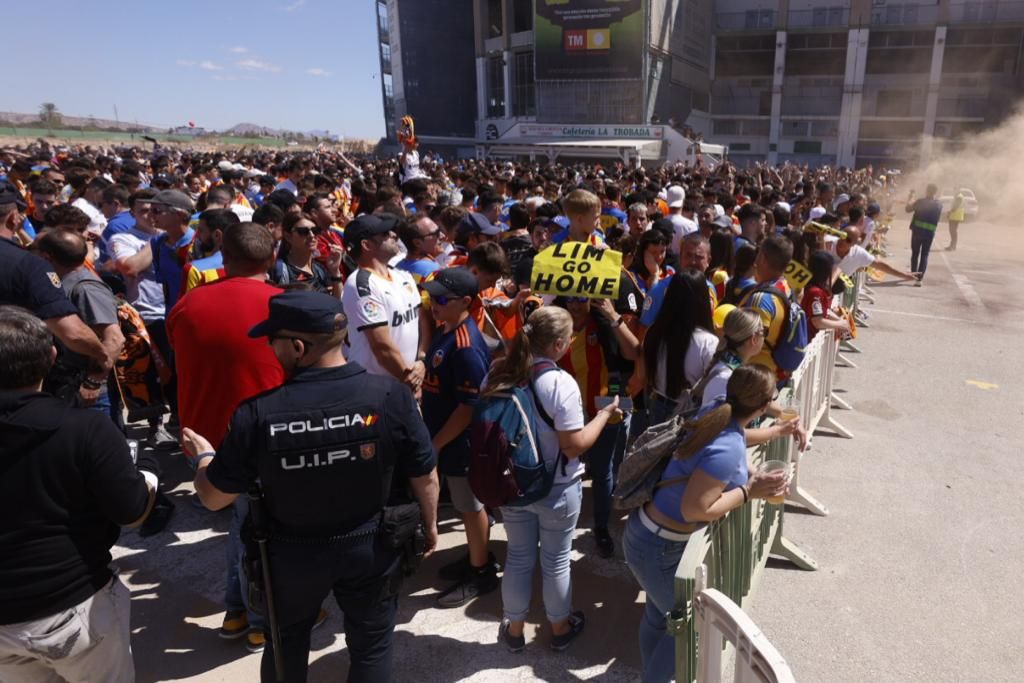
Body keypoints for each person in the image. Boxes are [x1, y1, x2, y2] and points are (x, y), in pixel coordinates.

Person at [185, 290, 439, 682]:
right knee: (372, 646)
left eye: (273, 339)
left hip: (291, 557)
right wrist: (431, 526)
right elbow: (425, 475)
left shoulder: (257, 414)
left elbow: (213, 497)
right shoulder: (390, 396)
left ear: (298, 346)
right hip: (372, 546)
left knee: (285, 646)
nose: (269, 347)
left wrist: (204, 460)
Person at [0, 305, 159, 683]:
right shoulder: (85, 430)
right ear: (52, 357)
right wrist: (149, 471)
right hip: (72, 608)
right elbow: (132, 510)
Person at [168, 221, 291, 651]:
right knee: (258, 529)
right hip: (262, 438)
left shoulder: (188, 304)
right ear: (273, 258)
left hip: (201, 438)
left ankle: (239, 608)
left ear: (225, 259)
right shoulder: (283, 305)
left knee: (243, 523)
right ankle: (258, 617)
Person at [623, 365, 788, 683]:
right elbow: (695, 508)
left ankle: (649, 674)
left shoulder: (719, 412)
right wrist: (747, 491)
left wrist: (752, 474)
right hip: (658, 547)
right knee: (686, 629)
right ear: (763, 406)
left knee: (659, 616)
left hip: (647, 536)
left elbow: (732, 452)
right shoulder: (727, 444)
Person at [488, 306, 623, 654]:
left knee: (518, 557)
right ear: (561, 344)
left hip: (512, 484)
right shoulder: (562, 383)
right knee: (556, 561)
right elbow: (574, 445)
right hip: (557, 489)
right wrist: (605, 415)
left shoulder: (499, 373)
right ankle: (559, 627)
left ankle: (514, 630)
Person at [419, 268, 500, 607]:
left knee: (470, 506)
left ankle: (481, 572)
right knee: (466, 506)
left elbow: (468, 408)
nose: (433, 304)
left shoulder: (465, 347)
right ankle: (474, 555)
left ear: (466, 302)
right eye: (431, 296)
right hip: (447, 438)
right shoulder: (446, 330)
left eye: (441, 299)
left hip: (461, 442)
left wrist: (435, 445)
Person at [0, 182, 111, 377]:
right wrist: (102, 355)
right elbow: (71, 332)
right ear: (12, 219)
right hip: (13, 373)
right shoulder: (29, 265)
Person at [33, 230, 124, 421]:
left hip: (90, 394)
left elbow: (115, 339)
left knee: (101, 448)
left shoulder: (86, 289)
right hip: (67, 387)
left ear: (46, 257)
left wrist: (93, 383)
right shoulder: (62, 282)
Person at [342, 214, 429, 391]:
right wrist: (410, 381)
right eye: (384, 234)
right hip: (376, 389)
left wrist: (421, 359)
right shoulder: (360, 285)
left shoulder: (402, 275)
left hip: (406, 383)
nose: (394, 235)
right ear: (367, 245)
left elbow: (422, 321)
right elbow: (382, 347)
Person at [641, 269, 718, 425]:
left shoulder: (654, 332)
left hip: (656, 406)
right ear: (702, 299)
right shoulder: (708, 342)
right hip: (690, 414)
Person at [271, 212, 343, 296]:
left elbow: (337, 302)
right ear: (288, 236)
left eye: (315, 230)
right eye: (303, 231)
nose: (312, 235)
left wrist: (335, 273)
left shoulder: (319, 269)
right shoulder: (279, 270)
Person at [181, 208, 240, 294]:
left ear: (217, 235)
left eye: (201, 230)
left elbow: (187, 306)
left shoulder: (195, 270)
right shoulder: (252, 265)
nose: (196, 235)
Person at [904, 184, 942, 286]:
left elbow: (908, 209)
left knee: (915, 254)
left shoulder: (920, 202)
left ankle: (913, 275)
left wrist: (910, 198)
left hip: (917, 231)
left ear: (926, 191)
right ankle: (919, 280)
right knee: (925, 255)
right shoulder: (939, 204)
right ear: (935, 192)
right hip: (929, 233)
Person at [395, 213, 443, 283]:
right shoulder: (432, 270)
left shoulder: (398, 267)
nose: (442, 236)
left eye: (439, 230)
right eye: (436, 233)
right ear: (417, 243)